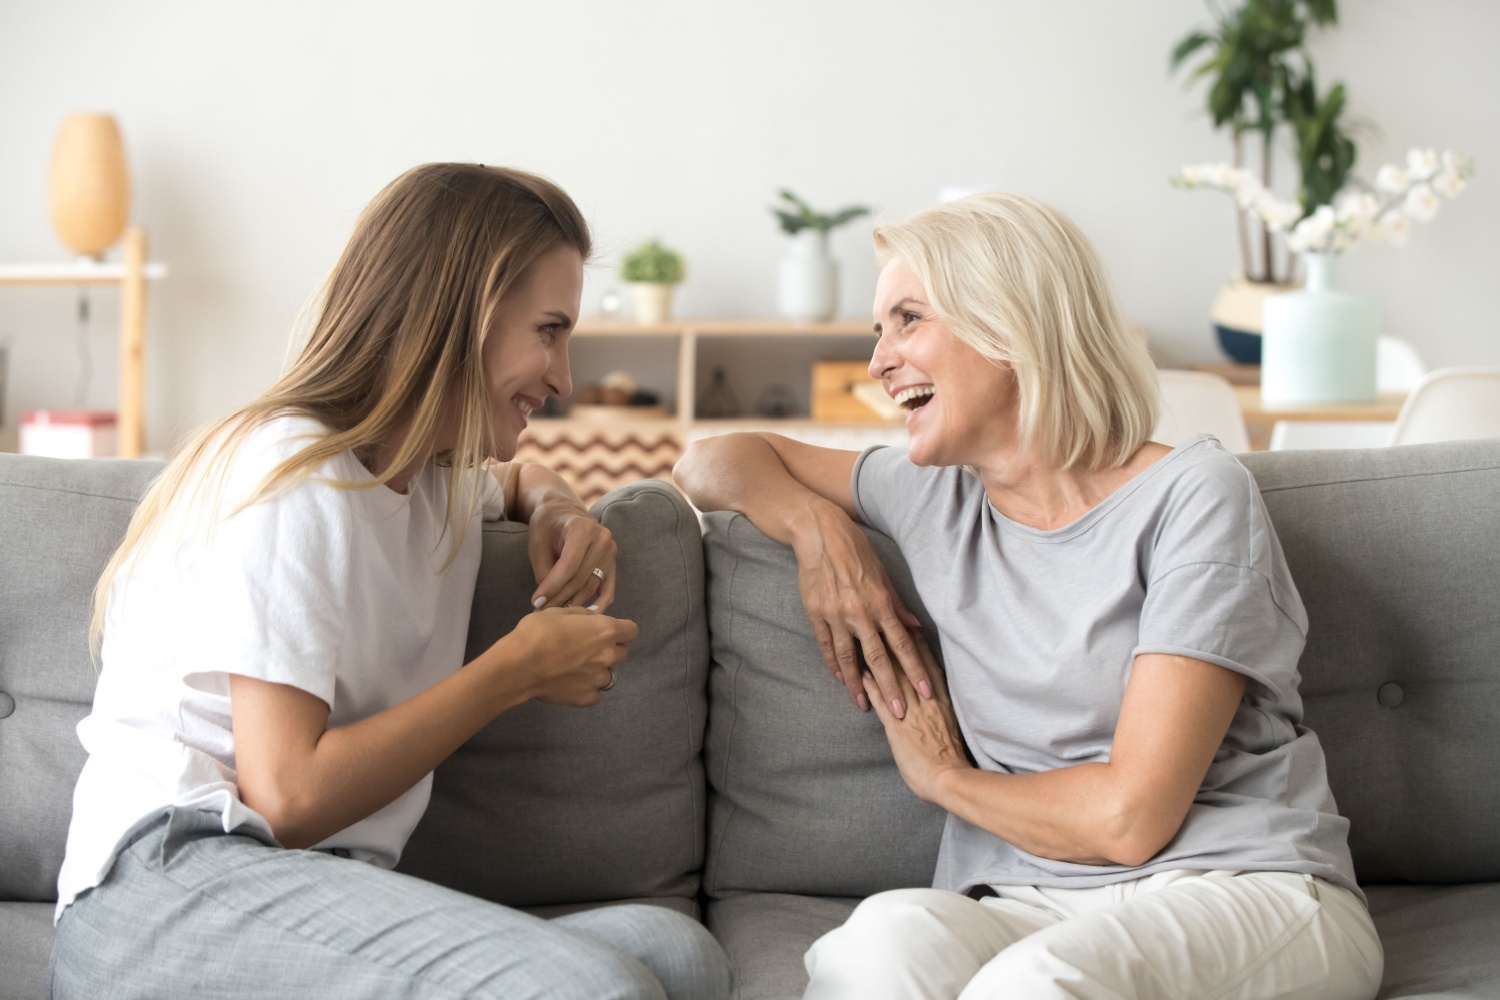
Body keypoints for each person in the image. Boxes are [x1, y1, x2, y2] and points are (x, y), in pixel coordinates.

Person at [674, 193, 1383, 1000]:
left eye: (908, 319)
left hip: (1243, 885)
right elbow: (711, 461)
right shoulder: (931, 496)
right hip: (1026, 902)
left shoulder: (1195, 496)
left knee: (1036, 985)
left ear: (1008, 327)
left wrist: (945, 779)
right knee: (872, 948)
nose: (878, 360)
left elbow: (1130, 818)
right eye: (879, 330)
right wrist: (817, 534)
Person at [51, 163, 730, 1000]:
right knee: (595, 988)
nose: (562, 377)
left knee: (678, 956)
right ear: (459, 317)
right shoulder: (292, 474)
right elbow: (287, 794)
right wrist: (514, 672)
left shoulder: (429, 476)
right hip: (167, 887)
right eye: (548, 331)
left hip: (314, 889)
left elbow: (512, 482)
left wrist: (556, 504)